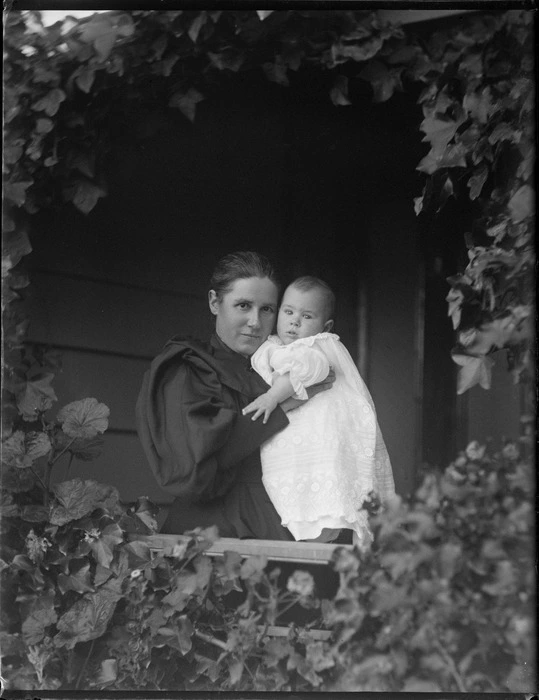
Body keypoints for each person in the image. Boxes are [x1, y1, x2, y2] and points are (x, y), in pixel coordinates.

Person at [135, 252, 334, 539]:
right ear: (215, 302)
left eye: (267, 309)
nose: (255, 321)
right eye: (243, 305)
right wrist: (284, 405)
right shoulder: (189, 369)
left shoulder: (294, 366)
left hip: (286, 526)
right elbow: (194, 466)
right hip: (214, 531)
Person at [242, 276, 395, 546]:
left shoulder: (313, 347)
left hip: (323, 431)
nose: (294, 321)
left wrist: (271, 396)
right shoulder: (276, 345)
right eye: (288, 312)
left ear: (325, 326)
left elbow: (305, 369)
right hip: (294, 439)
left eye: (306, 316)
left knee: (321, 479)